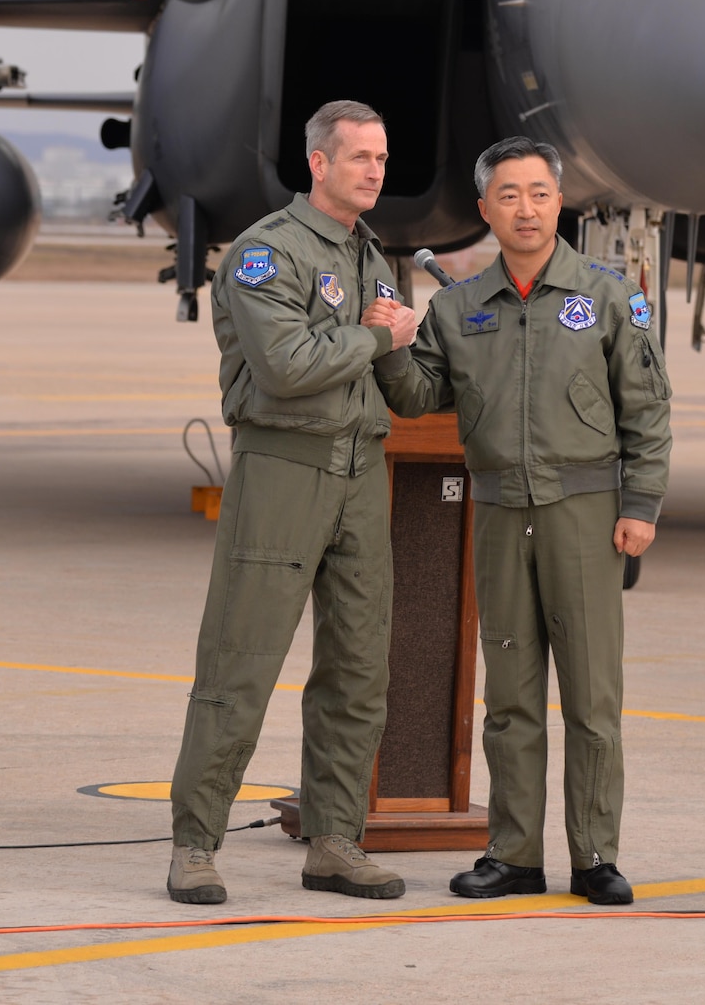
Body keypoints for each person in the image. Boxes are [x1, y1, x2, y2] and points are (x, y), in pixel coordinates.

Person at [367, 136, 671, 905]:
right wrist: (395, 342)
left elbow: (648, 409)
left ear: (557, 202)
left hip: (586, 514)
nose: (525, 208)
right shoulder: (459, 306)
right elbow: (418, 395)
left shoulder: (607, 296)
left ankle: (596, 854)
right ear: (485, 210)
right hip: (500, 513)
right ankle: (514, 854)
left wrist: (640, 506)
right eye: (508, 195)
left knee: (594, 696)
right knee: (509, 697)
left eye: (538, 193)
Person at [166, 99, 420, 905]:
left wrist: (450, 334)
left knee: (358, 666)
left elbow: (402, 388)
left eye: (382, 158)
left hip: (361, 471)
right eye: (360, 157)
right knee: (240, 662)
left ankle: (335, 840)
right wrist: (383, 335)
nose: (375, 170)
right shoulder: (264, 254)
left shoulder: (377, 260)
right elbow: (286, 365)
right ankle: (195, 846)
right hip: (284, 467)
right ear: (319, 163)